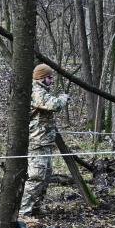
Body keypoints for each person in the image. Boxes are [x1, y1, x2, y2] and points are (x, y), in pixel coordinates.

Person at [20, 63, 69, 216]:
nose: (52, 80)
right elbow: (54, 105)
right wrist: (63, 98)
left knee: (46, 176)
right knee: (36, 177)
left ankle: (35, 209)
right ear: (41, 78)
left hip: (44, 142)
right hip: (36, 142)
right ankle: (23, 212)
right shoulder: (36, 91)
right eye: (49, 77)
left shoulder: (41, 90)